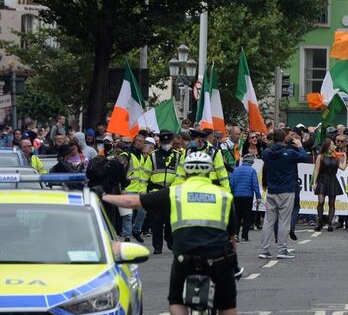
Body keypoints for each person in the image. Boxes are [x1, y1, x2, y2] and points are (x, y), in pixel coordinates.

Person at [100, 151, 240, 315]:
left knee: (176, 301)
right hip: (218, 259)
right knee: (227, 306)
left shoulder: (175, 192)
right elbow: (232, 238)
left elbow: (132, 201)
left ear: (185, 171)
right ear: (210, 171)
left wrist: (103, 196)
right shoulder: (224, 196)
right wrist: (233, 264)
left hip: (185, 258)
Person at [259, 129, 309, 259]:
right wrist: (300, 146)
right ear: (284, 139)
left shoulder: (267, 153)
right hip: (286, 190)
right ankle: (282, 249)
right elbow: (305, 157)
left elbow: (266, 157)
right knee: (284, 221)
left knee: (269, 220)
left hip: (272, 190)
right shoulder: (290, 153)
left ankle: (264, 249)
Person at [148, 132, 182, 254]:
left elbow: (181, 175)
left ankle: (171, 242)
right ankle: (157, 247)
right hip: (156, 192)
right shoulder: (152, 156)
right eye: (164, 143)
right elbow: (145, 174)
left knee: (170, 221)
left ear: (172, 142)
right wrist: (142, 190)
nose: (166, 145)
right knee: (156, 222)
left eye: (168, 143)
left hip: (171, 192)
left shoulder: (178, 156)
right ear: (160, 143)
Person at [313, 138, 346, 232]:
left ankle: (330, 223)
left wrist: (344, 156)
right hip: (322, 179)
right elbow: (316, 169)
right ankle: (319, 221)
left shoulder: (336, 157)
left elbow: (343, 168)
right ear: (328, 146)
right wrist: (315, 182)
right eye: (332, 144)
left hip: (332, 180)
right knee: (321, 201)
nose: (334, 146)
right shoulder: (321, 156)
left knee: (331, 203)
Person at [230, 153, 261, 242]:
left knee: (237, 216)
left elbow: (232, 184)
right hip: (247, 196)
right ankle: (244, 236)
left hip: (236, 196)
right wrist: (258, 197)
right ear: (251, 162)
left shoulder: (235, 170)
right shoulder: (252, 171)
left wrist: (232, 194)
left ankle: (235, 234)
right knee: (247, 216)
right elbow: (255, 185)